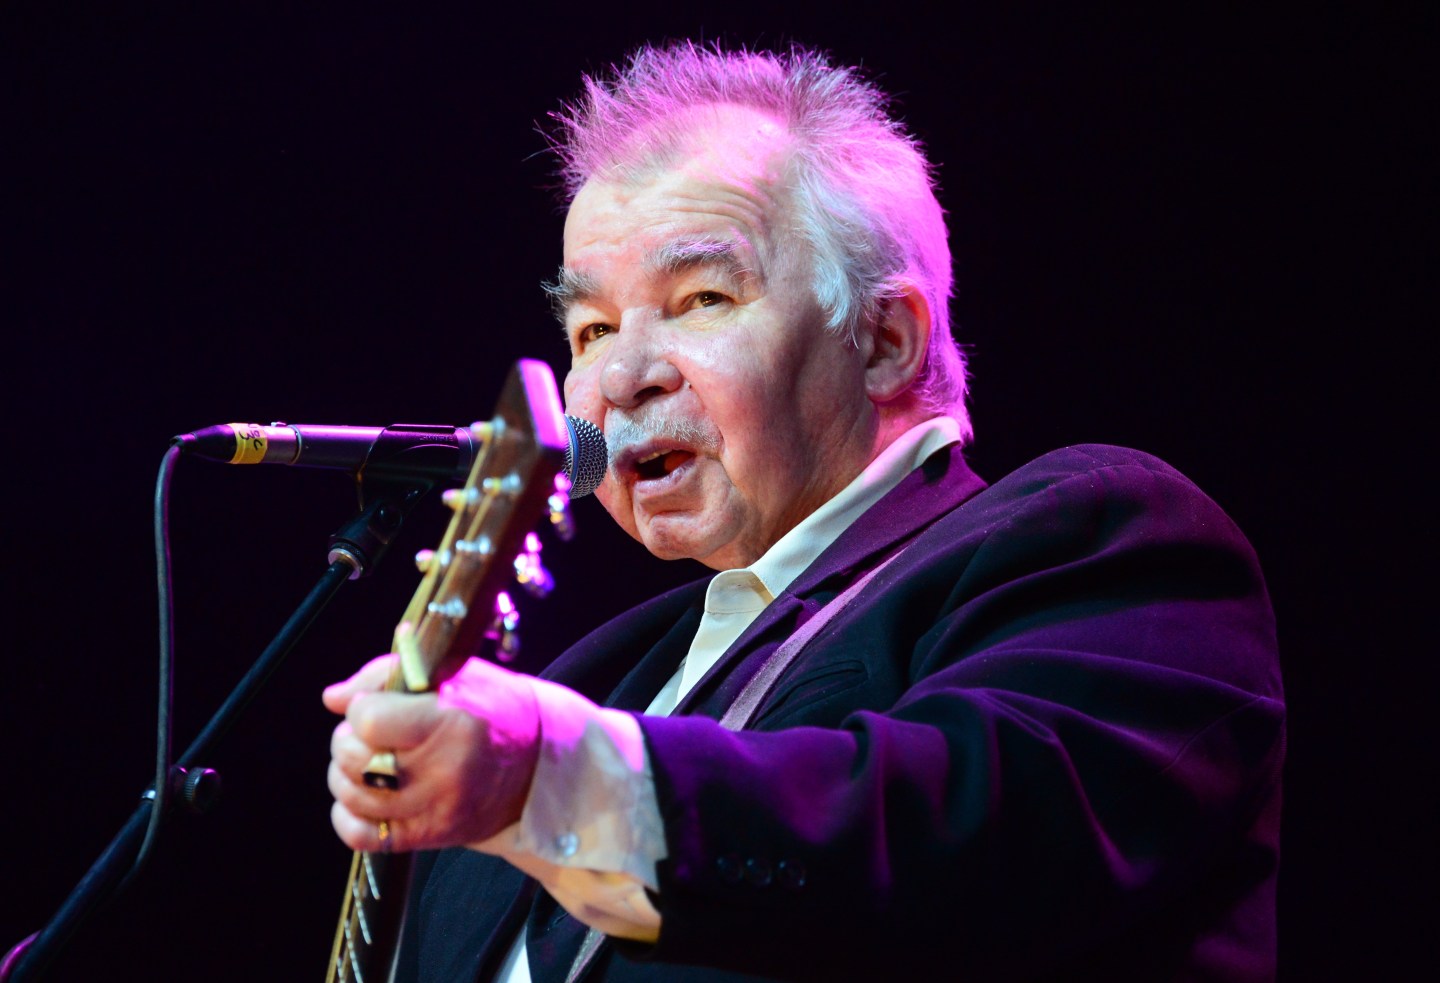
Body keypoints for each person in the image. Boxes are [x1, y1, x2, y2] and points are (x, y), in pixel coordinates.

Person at [324, 43, 1284, 982]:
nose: (619, 377)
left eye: (702, 297)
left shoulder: (1101, 540)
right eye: (595, 328)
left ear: (884, 340)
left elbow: (963, 845)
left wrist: (550, 775)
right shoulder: (591, 682)